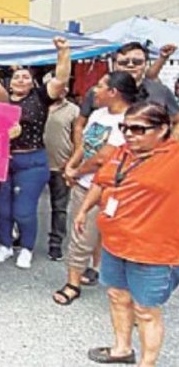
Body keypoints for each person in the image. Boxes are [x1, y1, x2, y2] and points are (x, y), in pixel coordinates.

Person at [72, 102, 179, 366]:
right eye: (126, 127)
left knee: (145, 311)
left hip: (153, 251)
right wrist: (84, 210)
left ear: (163, 129)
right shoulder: (122, 152)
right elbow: (103, 182)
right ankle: (122, 349)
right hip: (114, 243)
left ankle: (148, 363)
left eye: (139, 129)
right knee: (117, 296)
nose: (130, 134)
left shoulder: (175, 157)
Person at [53, 72, 139, 306]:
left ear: (114, 92)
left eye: (100, 86)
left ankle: (96, 273)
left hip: (113, 188)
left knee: (101, 233)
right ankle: (74, 281)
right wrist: (71, 165)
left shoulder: (131, 120)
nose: (93, 90)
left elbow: (105, 157)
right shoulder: (99, 114)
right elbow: (86, 145)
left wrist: (76, 172)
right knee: (81, 232)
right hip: (84, 184)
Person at [0, 37, 71, 269]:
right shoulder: (1, 100)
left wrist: (63, 53)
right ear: (10, 82)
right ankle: (5, 245)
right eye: (17, 76)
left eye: (26, 76)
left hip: (32, 161)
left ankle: (26, 248)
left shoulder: (40, 98)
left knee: (24, 210)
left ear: (32, 81)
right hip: (3, 161)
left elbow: (61, 78)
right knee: (2, 208)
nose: (21, 79)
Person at [74, 43, 179, 144]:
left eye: (137, 62)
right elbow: (79, 124)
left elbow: (177, 121)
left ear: (146, 64)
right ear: (114, 64)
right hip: (103, 156)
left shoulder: (160, 91)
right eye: (124, 62)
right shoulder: (97, 92)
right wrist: (79, 149)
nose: (130, 65)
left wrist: (172, 145)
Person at [43, 84, 80, 261]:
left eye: (63, 87)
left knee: (59, 207)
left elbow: (78, 139)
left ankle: (55, 244)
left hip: (61, 165)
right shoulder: (38, 104)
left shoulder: (74, 110)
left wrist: (72, 162)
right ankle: (21, 237)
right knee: (25, 205)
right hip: (36, 165)